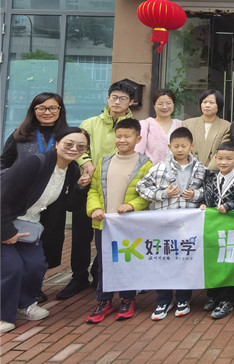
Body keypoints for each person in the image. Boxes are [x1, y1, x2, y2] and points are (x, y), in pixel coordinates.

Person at [0, 127, 87, 333]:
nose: (74, 149)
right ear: (57, 143)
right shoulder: (35, 163)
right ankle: (3, 315)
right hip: (5, 221)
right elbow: (3, 195)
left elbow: (68, 205)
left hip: (30, 225)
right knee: (11, 267)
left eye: (81, 146)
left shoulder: (71, 171)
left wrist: (80, 187)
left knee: (35, 265)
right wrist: (6, 233)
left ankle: (24, 305)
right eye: (69, 144)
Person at [60, 81, 136, 300]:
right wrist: (85, 162)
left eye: (123, 98)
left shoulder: (135, 127)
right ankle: (79, 277)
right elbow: (78, 147)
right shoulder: (90, 123)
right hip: (88, 185)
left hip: (118, 189)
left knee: (109, 234)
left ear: (131, 102)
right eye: (114, 97)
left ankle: (99, 272)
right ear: (107, 98)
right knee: (81, 234)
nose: (117, 102)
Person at [1, 93, 70, 302]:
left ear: (60, 111)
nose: (47, 112)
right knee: (19, 241)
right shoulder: (20, 135)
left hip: (53, 200)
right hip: (24, 200)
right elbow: (4, 162)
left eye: (53, 108)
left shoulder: (66, 136)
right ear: (34, 110)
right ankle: (15, 287)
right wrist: (10, 180)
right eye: (42, 108)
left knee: (48, 241)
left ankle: (35, 285)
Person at [85, 119, 153, 324]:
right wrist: (95, 209)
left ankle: (127, 299)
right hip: (105, 224)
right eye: (119, 136)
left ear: (138, 139)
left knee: (127, 262)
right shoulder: (104, 162)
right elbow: (94, 190)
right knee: (104, 262)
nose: (122, 140)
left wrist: (132, 205)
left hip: (129, 225)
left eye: (127, 136)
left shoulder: (145, 164)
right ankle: (103, 300)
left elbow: (148, 194)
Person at [136, 127, 206, 320]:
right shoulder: (159, 167)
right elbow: (141, 187)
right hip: (164, 223)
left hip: (188, 224)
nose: (180, 149)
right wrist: (162, 194)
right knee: (163, 260)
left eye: (184, 146)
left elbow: (208, 191)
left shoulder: (201, 168)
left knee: (185, 260)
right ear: (169, 147)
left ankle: (183, 299)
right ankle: (163, 300)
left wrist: (196, 194)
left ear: (191, 146)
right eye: (176, 146)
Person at [200, 142, 234, 320]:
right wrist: (203, 204)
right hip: (213, 227)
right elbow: (206, 196)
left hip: (233, 227)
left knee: (229, 261)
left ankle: (228, 299)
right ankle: (213, 295)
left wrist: (230, 205)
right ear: (215, 158)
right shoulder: (211, 177)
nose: (223, 162)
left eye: (228, 159)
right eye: (220, 158)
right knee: (213, 260)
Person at [182, 89, 231, 171]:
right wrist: (196, 169)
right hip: (191, 170)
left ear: (219, 105)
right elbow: (184, 148)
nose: (207, 105)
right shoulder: (188, 124)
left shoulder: (226, 126)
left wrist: (207, 172)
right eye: (204, 102)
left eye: (211, 103)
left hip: (213, 172)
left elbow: (222, 152)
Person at [135, 88, 182, 164]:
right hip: (151, 170)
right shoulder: (145, 125)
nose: (164, 107)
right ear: (154, 106)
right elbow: (138, 152)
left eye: (168, 103)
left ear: (173, 104)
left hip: (177, 170)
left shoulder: (181, 125)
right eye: (160, 104)